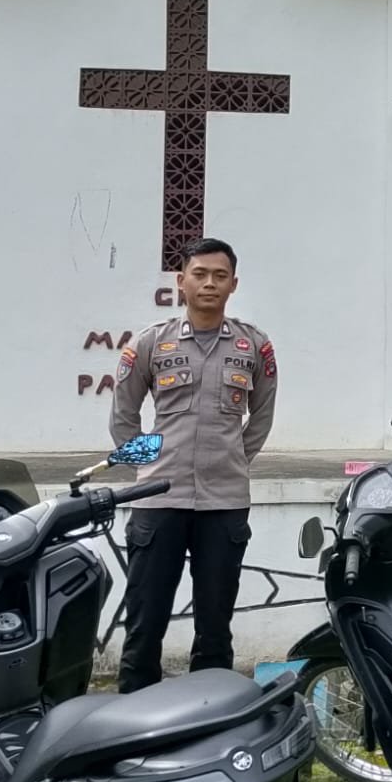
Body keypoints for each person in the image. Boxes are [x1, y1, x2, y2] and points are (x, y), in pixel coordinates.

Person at [110, 237, 277, 693]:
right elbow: (123, 415)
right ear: (180, 281)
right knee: (145, 621)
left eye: (220, 276)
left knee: (216, 625)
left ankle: (210, 714)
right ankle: (134, 714)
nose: (209, 284)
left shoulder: (253, 345)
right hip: (158, 500)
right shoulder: (151, 343)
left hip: (225, 502)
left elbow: (261, 416)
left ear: (233, 284)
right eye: (199, 274)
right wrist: (146, 467)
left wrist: (235, 457)